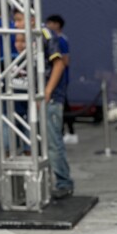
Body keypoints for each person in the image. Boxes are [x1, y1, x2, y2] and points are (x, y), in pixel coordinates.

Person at [14, 10, 73, 199]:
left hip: (51, 97)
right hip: (33, 98)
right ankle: (38, 183)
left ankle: (64, 183)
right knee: (33, 142)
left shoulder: (45, 34)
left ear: (31, 18)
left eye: (18, 19)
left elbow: (59, 64)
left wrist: (47, 93)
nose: (15, 24)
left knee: (53, 142)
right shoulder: (26, 36)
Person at [45, 14, 76, 145]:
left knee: (63, 107)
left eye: (51, 23)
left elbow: (65, 61)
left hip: (60, 81)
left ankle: (70, 132)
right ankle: (66, 132)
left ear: (57, 25)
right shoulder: (56, 38)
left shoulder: (60, 40)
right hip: (57, 81)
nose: (48, 25)